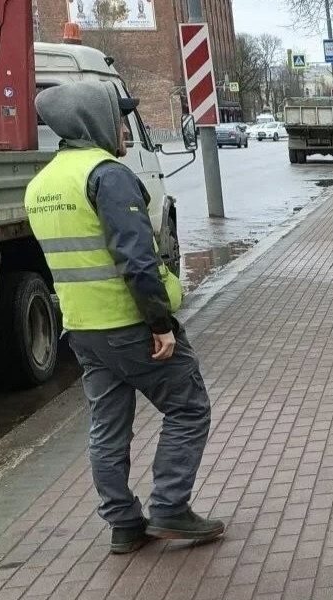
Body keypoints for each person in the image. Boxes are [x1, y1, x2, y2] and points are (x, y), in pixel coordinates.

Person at [25, 81, 225, 555]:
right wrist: (160, 325)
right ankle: (171, 506)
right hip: (129, 323)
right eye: (117, 118)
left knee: (107, 427)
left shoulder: (42, 185)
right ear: (94, 122)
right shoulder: (106, 175)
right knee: (188, 406)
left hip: (82, 330)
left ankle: (123, 523)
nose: (124, 129)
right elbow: (136, 260)